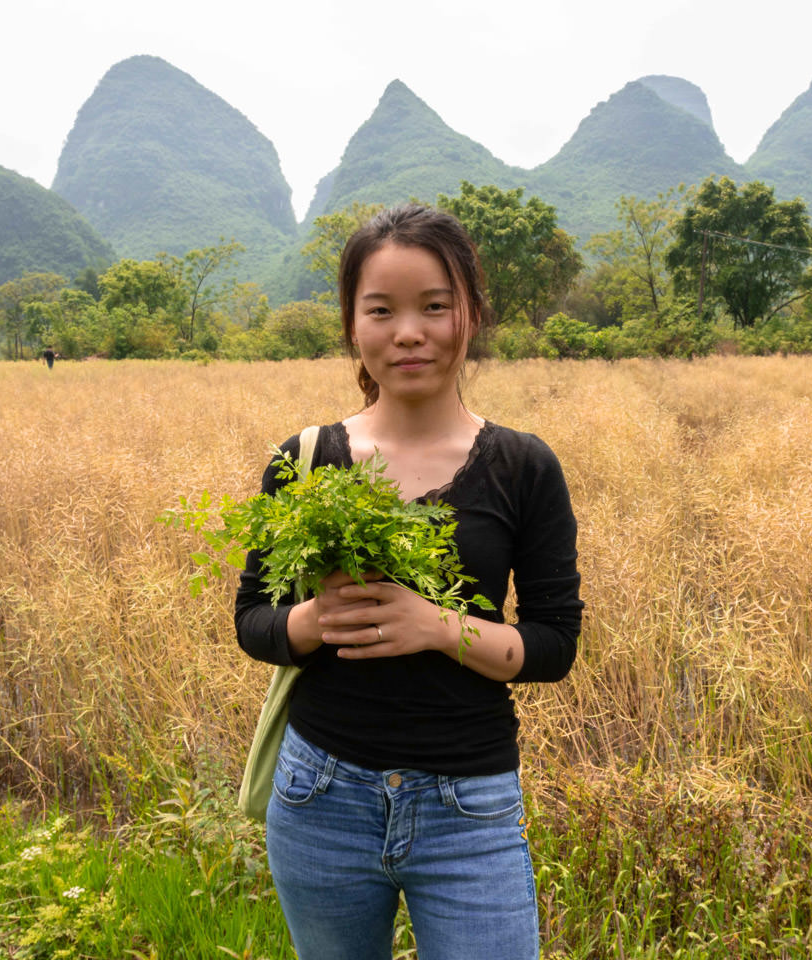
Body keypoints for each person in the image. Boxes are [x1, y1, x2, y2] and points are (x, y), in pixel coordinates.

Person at [234, 204, 582, 959]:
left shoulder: (524, 466)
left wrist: (435, 626)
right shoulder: (305, 460)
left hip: (470, 807)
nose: (409, 332)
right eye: (381, 310)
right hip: (319, 796)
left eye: (435, 306)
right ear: (352, 326)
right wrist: (311, 623)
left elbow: (555, 644)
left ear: (471, 314)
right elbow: (253, 619)